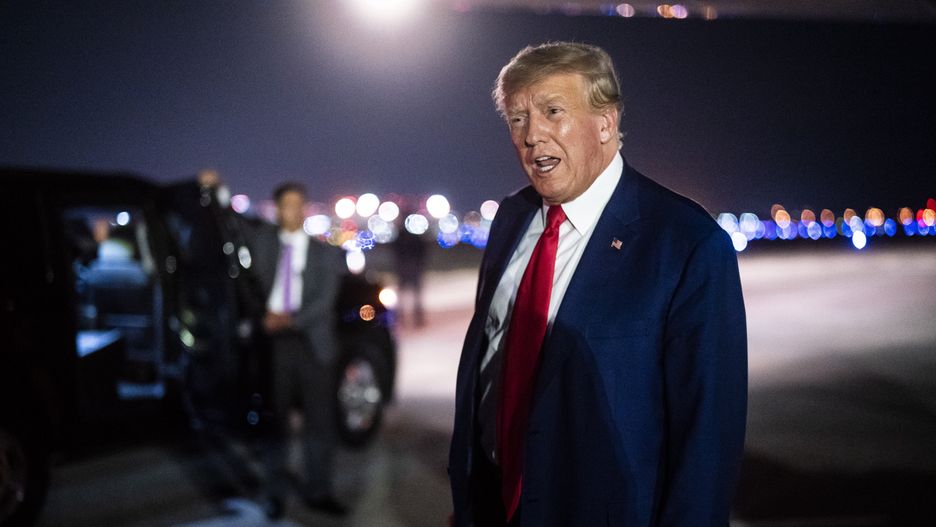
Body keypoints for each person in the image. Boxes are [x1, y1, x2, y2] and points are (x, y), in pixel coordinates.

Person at [448, 42, 747, 526]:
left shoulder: (686, 244)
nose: (532, 135)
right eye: (518, 119)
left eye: (553, 112)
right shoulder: (511, 219)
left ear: (606, 123)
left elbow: (706, 441)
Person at [246, 181, 348, 518]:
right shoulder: (262, 244)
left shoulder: (323, 252)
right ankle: (274, 494)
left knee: (319, 421)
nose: (293, 211)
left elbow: (325, 301)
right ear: (277, 209)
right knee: (276, 422)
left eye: (298, 204)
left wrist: (289, 320)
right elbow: (248, 286)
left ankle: (319, 490)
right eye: (287, 204)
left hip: (313, 344)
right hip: (276, 346)